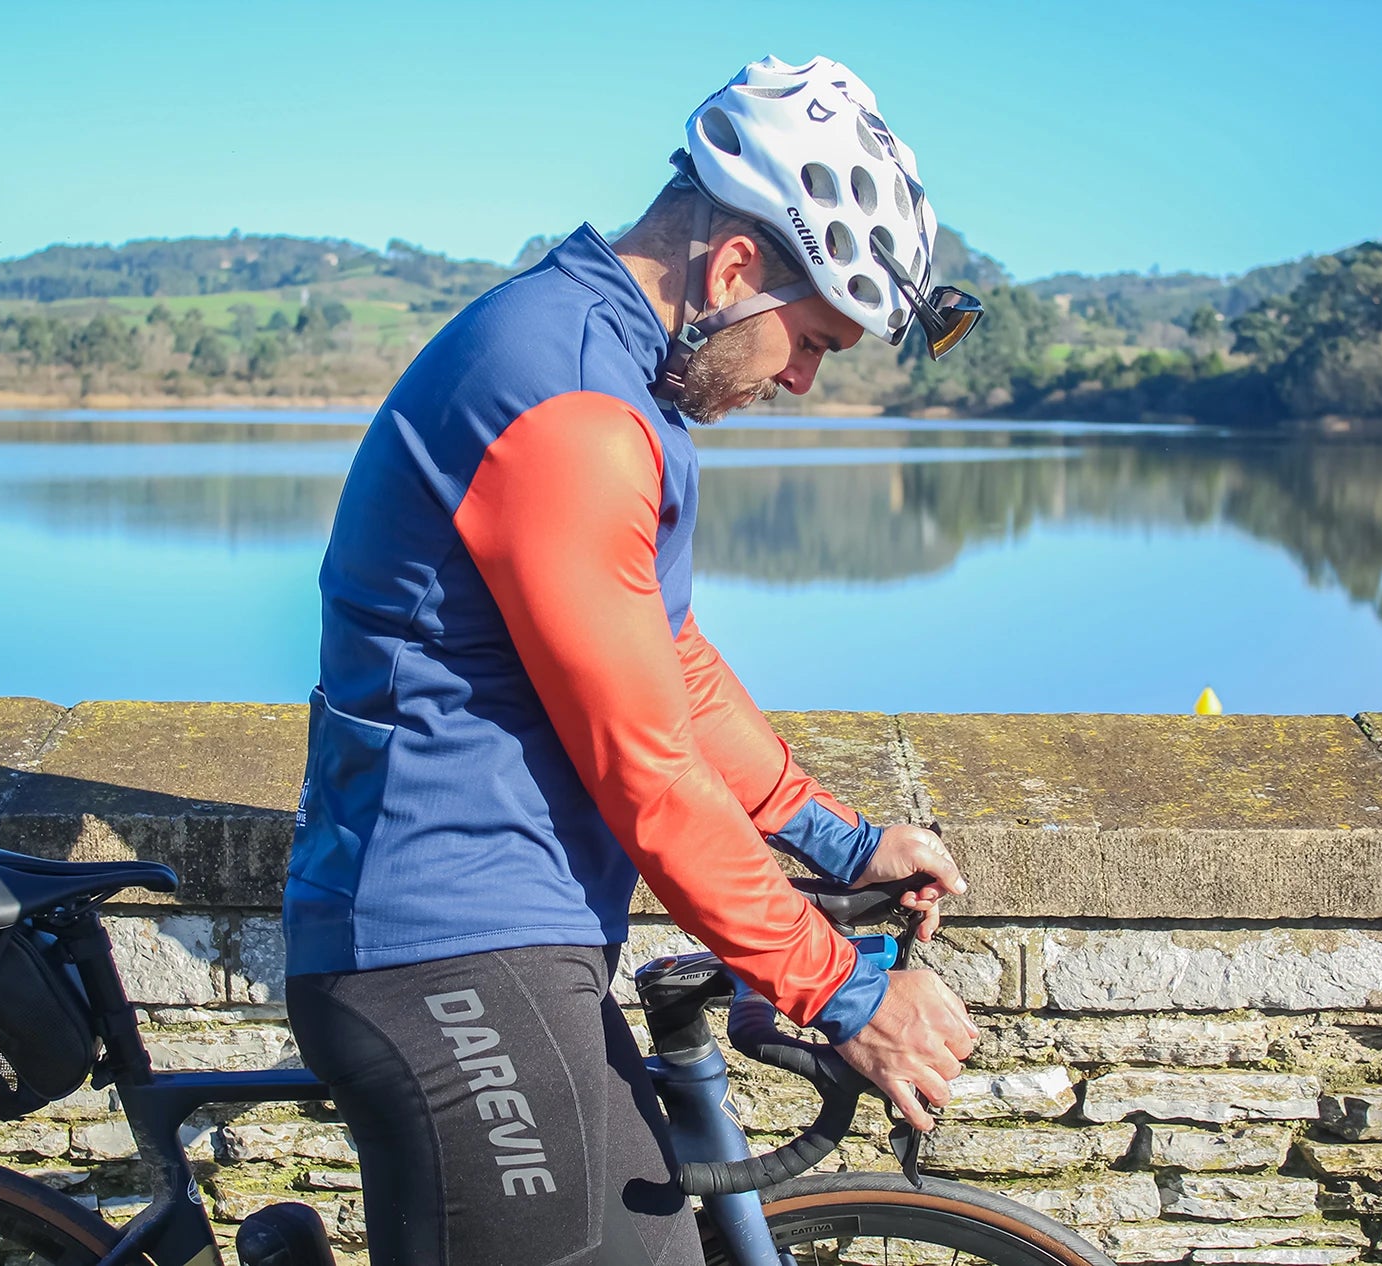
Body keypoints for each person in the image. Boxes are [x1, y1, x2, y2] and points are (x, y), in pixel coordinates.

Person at [282, 54, 985, 1266]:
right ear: (732, 270)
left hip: (496, 932)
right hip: (441, 946)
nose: (806, 379)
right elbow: (646, 766)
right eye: (813, 339)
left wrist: (840, 840)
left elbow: (668, 660)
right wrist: (847, 992)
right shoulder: (571, 410)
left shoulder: (611, 366)